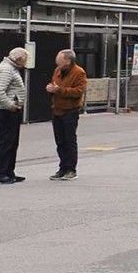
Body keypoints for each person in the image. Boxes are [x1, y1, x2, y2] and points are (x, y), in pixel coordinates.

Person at [47, 49, 87, 181]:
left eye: (60, 61)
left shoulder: (79, 72)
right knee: (60, 141)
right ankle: (62, 167)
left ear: (68, 61)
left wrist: (60, 90)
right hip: (57, 109)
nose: (57, 64)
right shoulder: (58, 70)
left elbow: (78, 92)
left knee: (69, 140)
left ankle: (71, 169)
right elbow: (55, 83)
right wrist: (51, 89)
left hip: (70, 110)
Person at [0, 47, 28, 185]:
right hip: (6, 111)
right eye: (25, 60)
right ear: (18, 59)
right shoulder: (6, 69)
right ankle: (1, 173)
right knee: (6, 141)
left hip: (10, 110)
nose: (25, 63)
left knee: (12, 142)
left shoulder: (11, 68)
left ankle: (8, 171)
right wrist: (11, 105)